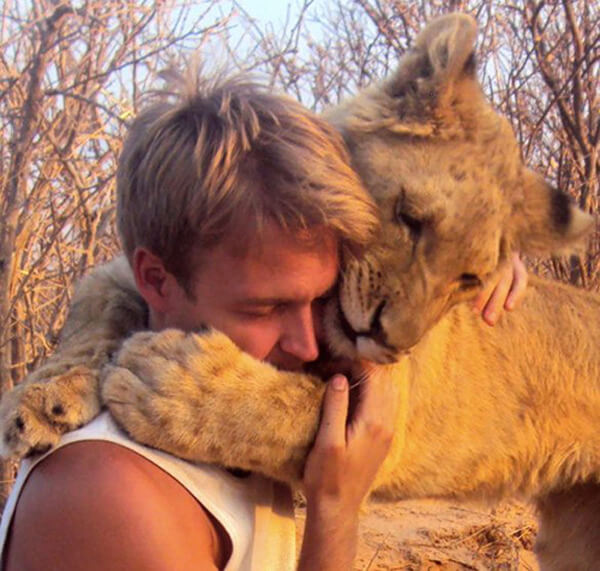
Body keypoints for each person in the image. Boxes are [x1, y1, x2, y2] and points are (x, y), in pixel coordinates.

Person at [0, 70, 527, 570]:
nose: (305, 344)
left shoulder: (228, 413)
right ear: (156, 280)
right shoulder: (107, 495)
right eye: (265, 308)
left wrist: (474, 254)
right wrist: (337, 511)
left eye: (321, 299)